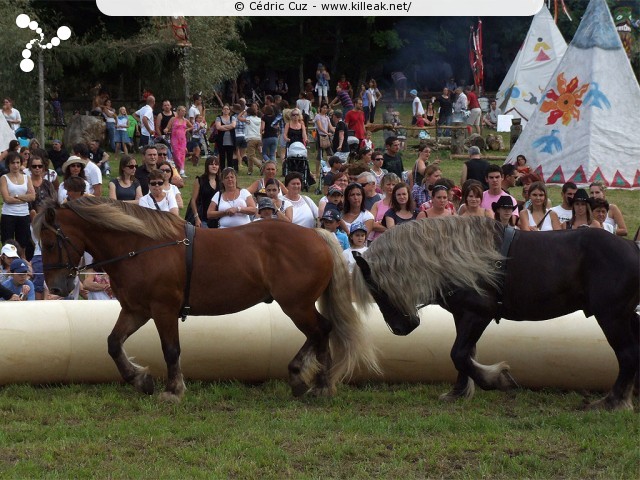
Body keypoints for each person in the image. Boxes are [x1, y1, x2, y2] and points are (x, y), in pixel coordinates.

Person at [1, 152, 35, 251]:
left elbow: (32, 197)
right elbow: (6, 199)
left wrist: (16, 196)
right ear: (8, 164)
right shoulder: (4, 178)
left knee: (23, 244)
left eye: (17, 162)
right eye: (13, 163)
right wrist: (24, 198)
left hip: (23, 214)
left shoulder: (26, 178)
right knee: (7, 244)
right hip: (8, 214)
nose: (15, 165)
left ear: (21, 163)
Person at [189, 156, 220, 228]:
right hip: (202, 217)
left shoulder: (221, 182)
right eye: (211, 164)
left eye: (216, 164)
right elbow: (193, 200)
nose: (214, 166)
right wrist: (196, 217)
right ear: (207, 166)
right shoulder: (200, 180)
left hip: (218, 218)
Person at [165, 105, 192, 177]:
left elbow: (191, 126)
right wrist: (166, 130)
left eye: (185, 111)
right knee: (176, 154)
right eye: (182, 111)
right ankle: (181, 169)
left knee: (182, 154)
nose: (184, 112)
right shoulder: (173, 119)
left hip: (183, 139)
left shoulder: (185, 120)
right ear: (178, 111)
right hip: (174, 139)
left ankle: (181, 170)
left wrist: (186, 130)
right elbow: (168, 127)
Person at [214, 105, 237, 171]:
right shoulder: (218, 118)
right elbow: (218, 127)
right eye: (224, 109)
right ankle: (222, 172)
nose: (226, 110)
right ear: (222, 110)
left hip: (231, 141)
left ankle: (230, 171)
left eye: (227, 109)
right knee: (222, 157)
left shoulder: (232, 118)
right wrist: (228, 127)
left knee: (230, 158)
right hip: (221, 141)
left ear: (229, 111)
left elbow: (233, 126)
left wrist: (223, 127)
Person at [314, 103, 334, 177]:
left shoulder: (327, 117)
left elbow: (330, 126)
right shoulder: (317, 116)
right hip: (320, 136)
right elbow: (320, 127)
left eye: (326, 108)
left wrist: (336, 131)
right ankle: (317, 172)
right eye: (324, 108)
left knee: (330, 153)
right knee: (319, 154)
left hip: (326, 137)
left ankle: (329, 169)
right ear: (320, 108)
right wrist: (327, 133)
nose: (325, 109)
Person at [244, 104, 263, 176]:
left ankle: (261, 166)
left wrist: (244, 111)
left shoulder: (249, 119)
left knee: (251, 155)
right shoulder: (259, 119)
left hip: (251, 138)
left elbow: (239, 118)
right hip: (258, 138)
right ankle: (250, 171)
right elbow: (261, 130)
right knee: (250, 156)